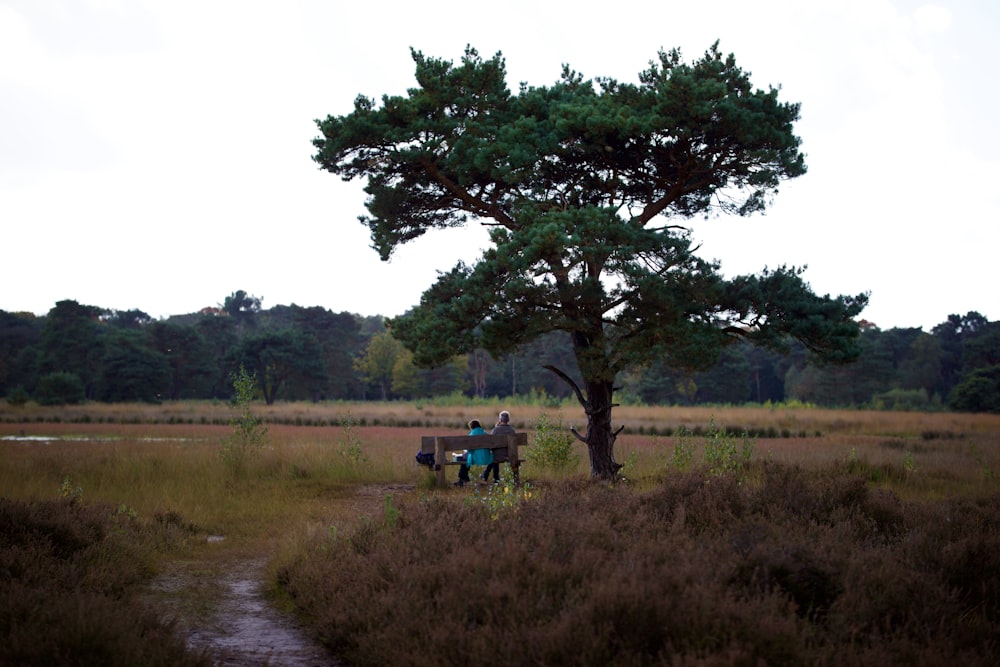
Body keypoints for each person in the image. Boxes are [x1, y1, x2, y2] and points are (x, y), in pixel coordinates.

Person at [482, 410, 515, 482]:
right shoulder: (512, 430)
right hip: (509, 455)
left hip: (497, 456)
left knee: (493, 456)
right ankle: (490, 476)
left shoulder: (495, 430)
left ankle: (494, 477)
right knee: (494, 456)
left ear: (500, 419)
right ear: (508, 420)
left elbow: (491, 444)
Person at [454, 419, 489, 486]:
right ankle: (464, 478)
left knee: (464, 458)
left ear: (471, 427)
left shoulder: (472, 434)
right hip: (486, 456)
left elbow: (469, 448)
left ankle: (462, 479)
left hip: (476, 456)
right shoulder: (484, 433)